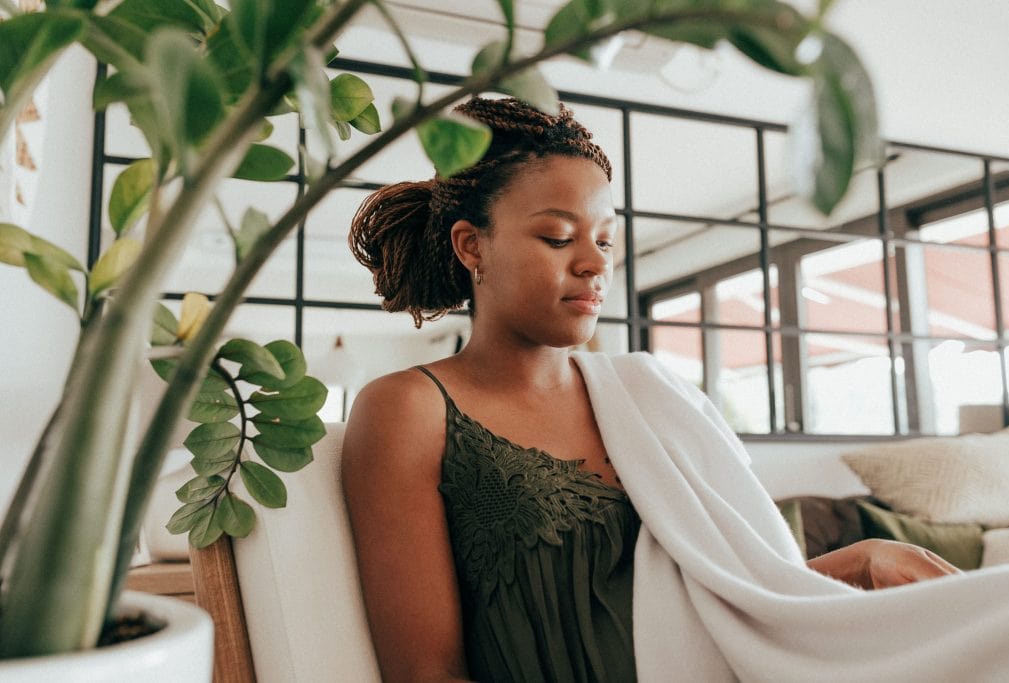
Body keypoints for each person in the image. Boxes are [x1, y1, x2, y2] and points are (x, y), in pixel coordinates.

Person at [341, 97, 965, 683]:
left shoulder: (652, 394)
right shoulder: (409, 409)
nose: (593, 262)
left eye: (605, 239)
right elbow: (425, 674)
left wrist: (861, 560)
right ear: (471, 245)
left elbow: (742, 602)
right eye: (558, 237)